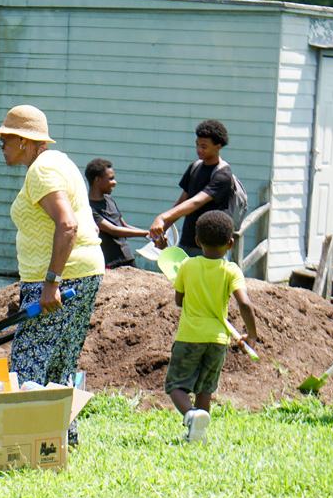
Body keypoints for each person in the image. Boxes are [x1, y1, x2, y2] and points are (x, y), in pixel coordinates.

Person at [0, 104, 104, 444]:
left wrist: (51, 282)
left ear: (24, 141)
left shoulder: (42, 171)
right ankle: (62, 439)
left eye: (5, 140)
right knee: (61, 360)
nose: (2, 147)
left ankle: (24, 443)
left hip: (59, 279)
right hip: (83, 272)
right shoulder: (59, 162)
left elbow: (67, 225)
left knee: (27, 360)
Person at [166, 210, 258, 443]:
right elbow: (245, 304)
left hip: (189, 336)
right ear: (230, 243)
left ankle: (190, 415)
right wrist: (252, 335)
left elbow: (178, 301)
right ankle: (198, 434)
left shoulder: (187, 266)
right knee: (205, 389)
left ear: (197, 240)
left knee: (176, 386)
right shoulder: (231, 270)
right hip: (218, 339)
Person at [149, 120, 234, 257]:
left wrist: (162, 217)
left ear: (218, 146)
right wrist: (162, 229)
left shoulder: (223, 174)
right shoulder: (195, 167)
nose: (199, 150)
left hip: (212, 245)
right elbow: (183, 201)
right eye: (197, 145)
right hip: (188, 240)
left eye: (204, 146)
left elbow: (196, 202)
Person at [85, 158, 148, 268]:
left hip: (127, 258)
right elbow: (113, 230)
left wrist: (150, 235)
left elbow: (123, 225)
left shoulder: (109, 199)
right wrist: (147, 234)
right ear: (97, 180)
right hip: (111, 263)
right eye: (111, 179)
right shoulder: (88, 208)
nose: (115, 182)